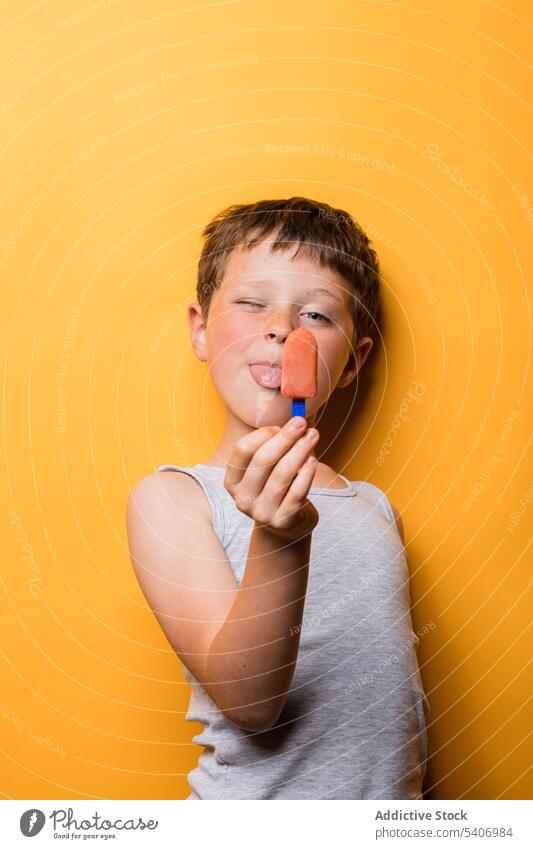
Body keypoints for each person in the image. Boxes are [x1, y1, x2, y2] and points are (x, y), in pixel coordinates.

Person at [125, 196, 430, 800]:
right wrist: (281, 538)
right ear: (200, 330)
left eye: (316, 315)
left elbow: (398, 713)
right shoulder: (174, 501)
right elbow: (252, 702)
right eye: (249, 302)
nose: (282, 328)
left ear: (352, 362)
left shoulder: (374, 507)